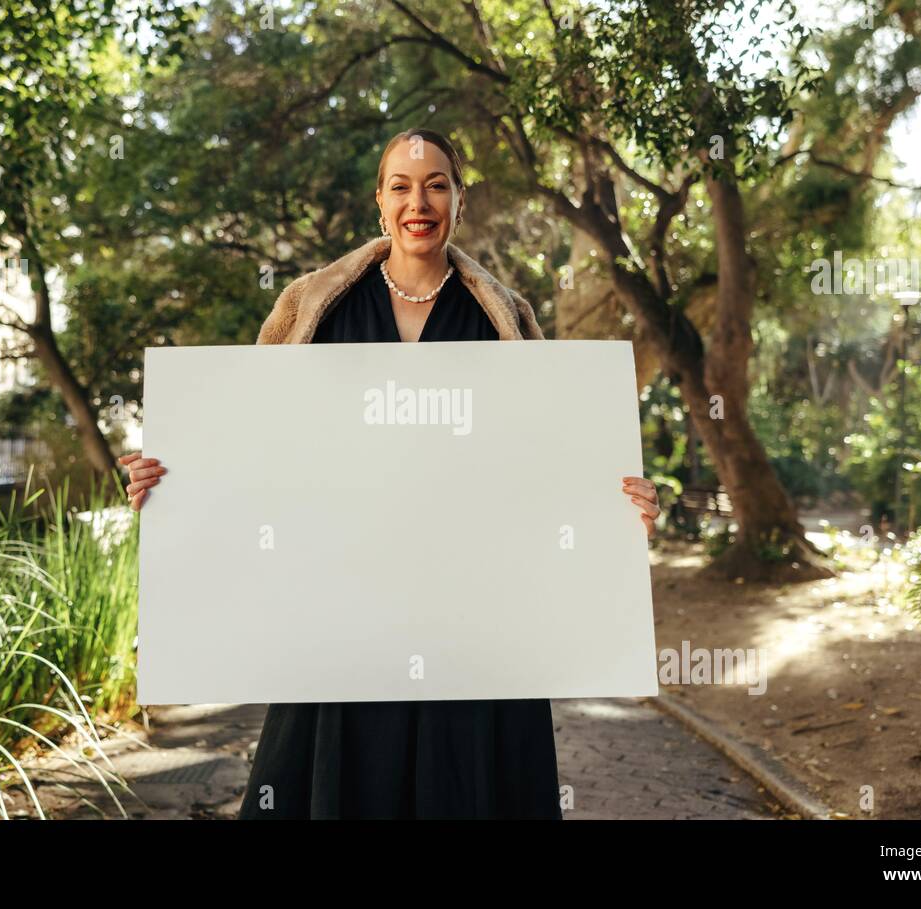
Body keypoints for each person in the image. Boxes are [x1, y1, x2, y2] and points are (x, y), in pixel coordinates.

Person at [119, 127, 661, 819]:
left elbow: (545, 467)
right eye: (401, 185)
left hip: (474, 627)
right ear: (380, 202)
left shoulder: (502, 319)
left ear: (459, 202)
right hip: (345, 622)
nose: (419, 200)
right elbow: (253, 446)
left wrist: (620, 508)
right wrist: (168, 483)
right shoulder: (316, 309)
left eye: (437, 183)